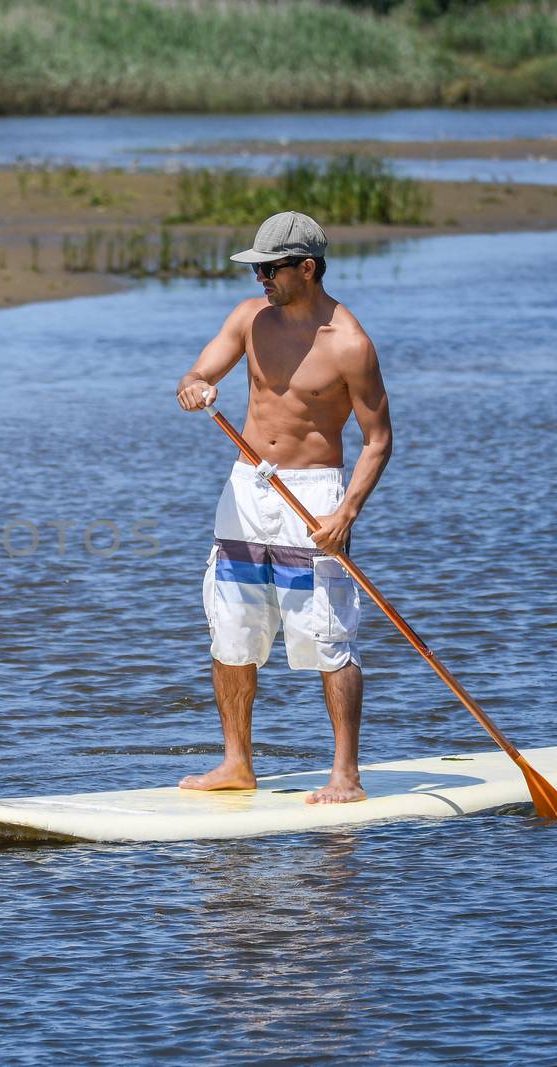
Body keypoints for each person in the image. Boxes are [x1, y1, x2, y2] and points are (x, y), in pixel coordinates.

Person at [174, 211, 393, 804]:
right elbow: (198, 372)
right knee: (232, 633)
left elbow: (379, 440)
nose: (260, 280)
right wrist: (196, 386)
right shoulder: (250, 319)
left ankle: (345, 775)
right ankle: (235, 763)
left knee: (327, 637)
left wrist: (346, 513)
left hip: (315, 495)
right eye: (256, 268)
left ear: (307, 267)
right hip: (246, 489)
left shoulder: (350, 344)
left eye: (270, 269)